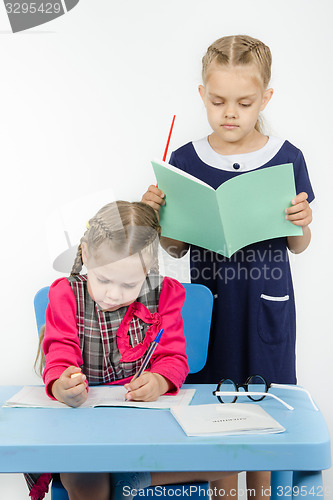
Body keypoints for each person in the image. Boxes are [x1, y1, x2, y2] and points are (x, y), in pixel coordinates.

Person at [142, 35, 314, 498]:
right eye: (218, 101)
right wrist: (159, 215)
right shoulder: (185, 160)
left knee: (264, 418)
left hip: (265, 306)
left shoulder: (286, 157)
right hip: (213, 308)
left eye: (244, 102)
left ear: (266, 98)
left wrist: (302, 220)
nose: (230, 113)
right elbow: (175, 247)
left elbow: (299, 245)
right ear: (202, 95)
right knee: (216, 417)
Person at [26, 201, 231, 500]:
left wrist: (159, 381)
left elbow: (173, 357)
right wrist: (62, 386)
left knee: (231, 458)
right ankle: (126, 476)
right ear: (85, 255)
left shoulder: (165, 295)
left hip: (147, 427)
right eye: (104, 279)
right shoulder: (66, 295)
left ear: (147, 271)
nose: (113, 293)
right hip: (83, 431)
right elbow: (59, 357)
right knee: (85, 478)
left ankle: (134, 477)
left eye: (128, 284)